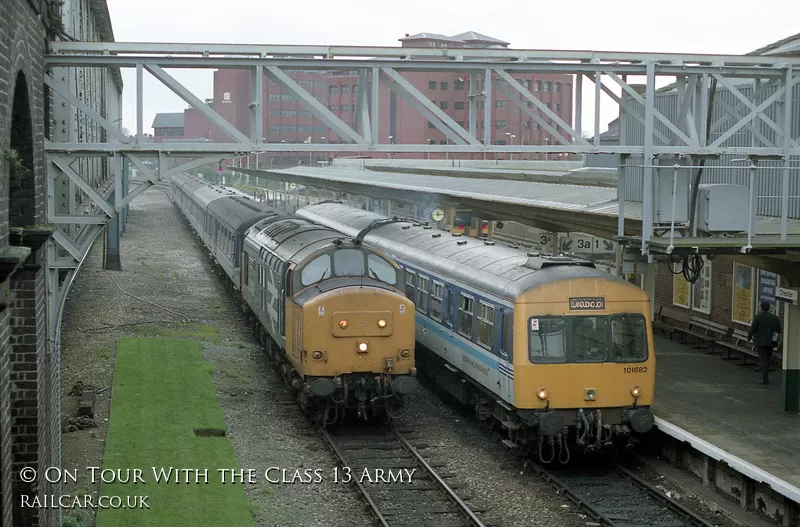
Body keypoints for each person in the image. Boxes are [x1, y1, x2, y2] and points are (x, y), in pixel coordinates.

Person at [748, 302, 781, 385]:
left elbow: (752, 329)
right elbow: (778, 330)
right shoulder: (775, 318)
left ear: (761, 308)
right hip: (771, 343)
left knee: (763, 360)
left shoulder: (758, 317)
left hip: (761, 342)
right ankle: (765, 375)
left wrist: (749, 337)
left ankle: (765, 379)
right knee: (767, 358)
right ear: (769, 308)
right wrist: (775, 341)